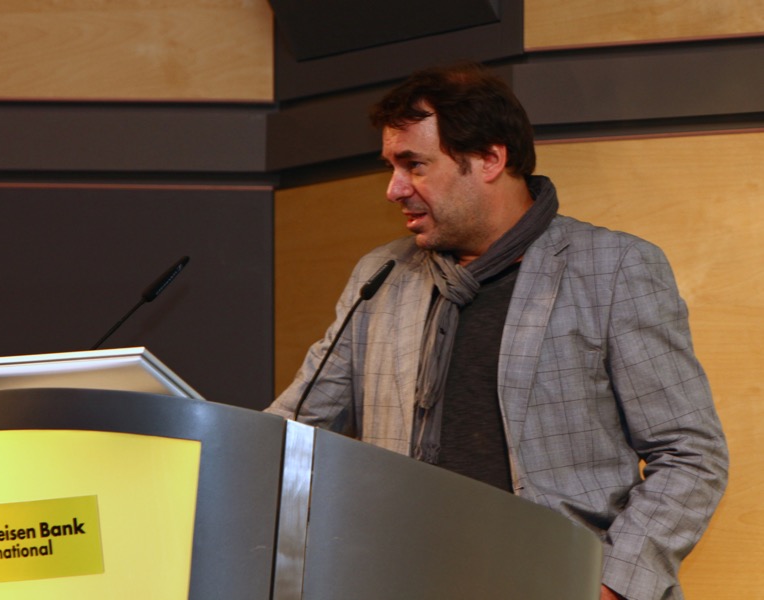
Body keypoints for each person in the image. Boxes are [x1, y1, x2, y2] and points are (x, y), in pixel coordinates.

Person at [266, 62, 728, 600]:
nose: (394, 189)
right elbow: (293, 429)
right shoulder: (381, 275)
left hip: (555, 583)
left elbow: (691, 455)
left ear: (489, 158)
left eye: (414, 165)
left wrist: (612, 585)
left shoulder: (614, 267)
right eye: (391, 167)